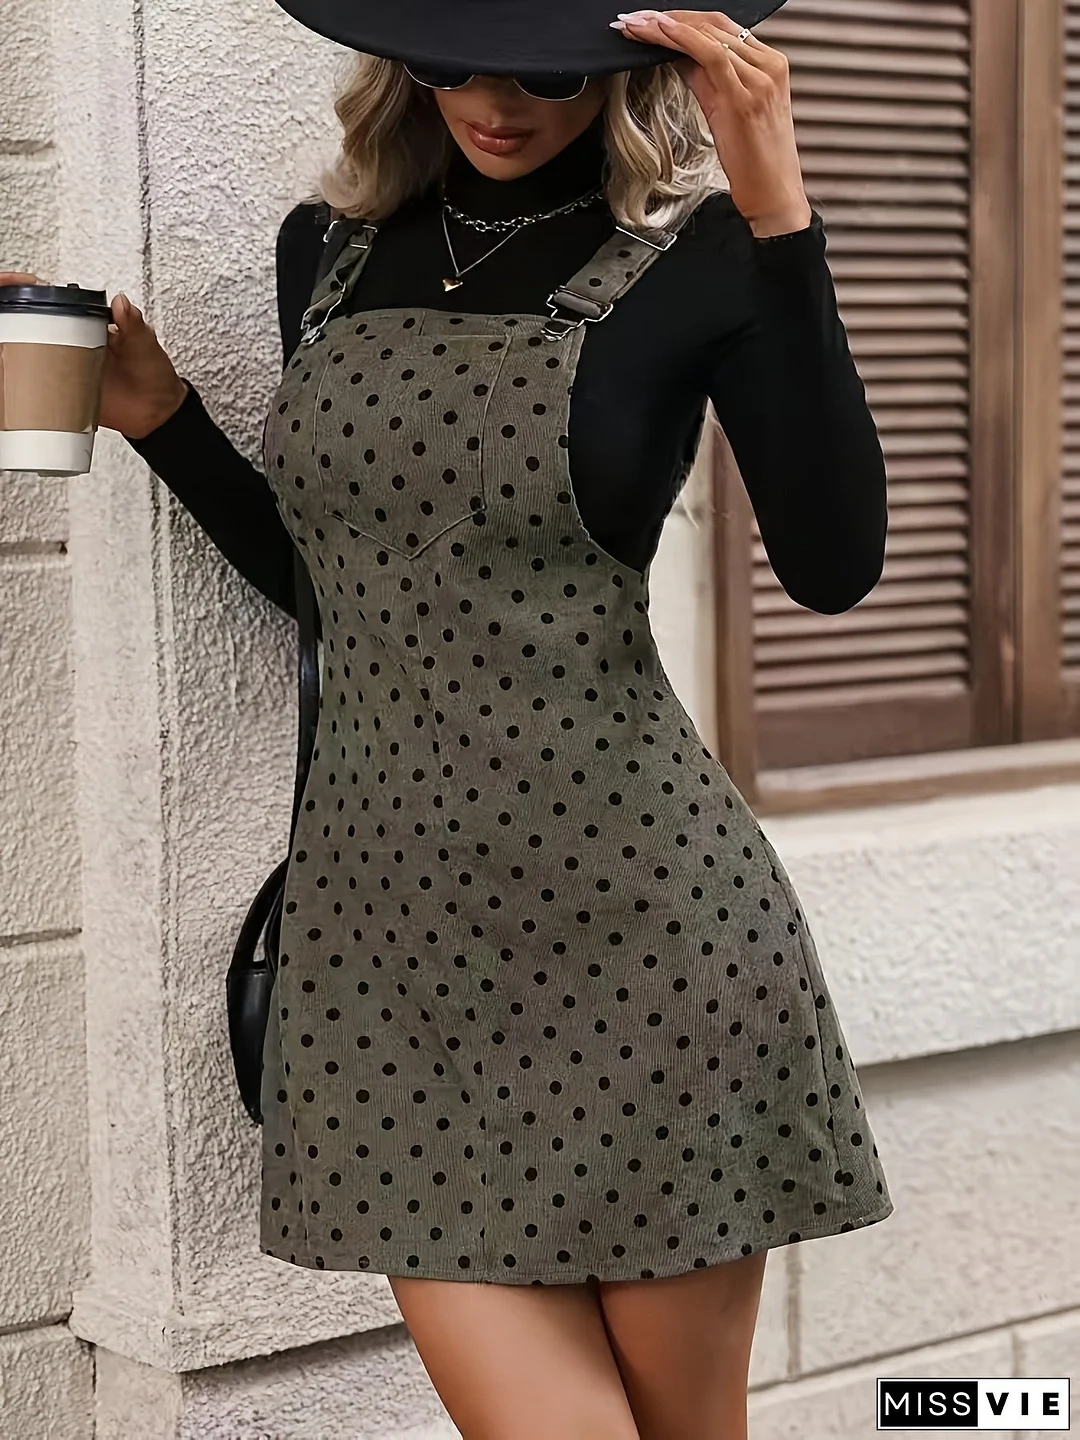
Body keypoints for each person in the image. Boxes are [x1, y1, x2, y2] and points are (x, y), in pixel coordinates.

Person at [3, 6, 895, 1436]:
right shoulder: (327, 253)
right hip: (390, 961)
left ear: (632, 66)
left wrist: (784, 220)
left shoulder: (708, 259)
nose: (496, 99)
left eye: (547, 65)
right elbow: (348, 594)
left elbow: (835, 565)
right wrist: (165, 420)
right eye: (451, 53)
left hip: (647, 947)